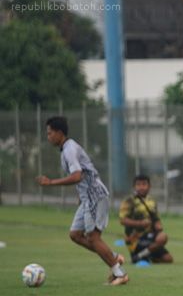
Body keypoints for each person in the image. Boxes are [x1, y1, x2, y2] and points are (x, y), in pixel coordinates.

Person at [36, 116, 128, 285]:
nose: (48, 137)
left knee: (93, 237)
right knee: (76, 235)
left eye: (49, 133)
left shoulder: (70, 149)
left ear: (59, 132)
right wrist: (81, 196)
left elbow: (77, 176)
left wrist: (51, 182)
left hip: (95, 195)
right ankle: (114, 257)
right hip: (87, 198)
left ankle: (119, 274)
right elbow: (85, 173)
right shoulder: (66, 149)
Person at [119, 174, 173, 264]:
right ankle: (138, 256)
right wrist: (140, 223)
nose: (141, 187)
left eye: (144, 184)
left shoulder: (151, 201)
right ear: (134, 187)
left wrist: (158, 225)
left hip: (150, 236)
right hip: (135, 239)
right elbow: (122, 220)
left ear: (149, 186)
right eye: (138, 185)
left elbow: (156, 219)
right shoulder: (129, 201)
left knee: (168, 259)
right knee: (163, 238)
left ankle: (143, 255)